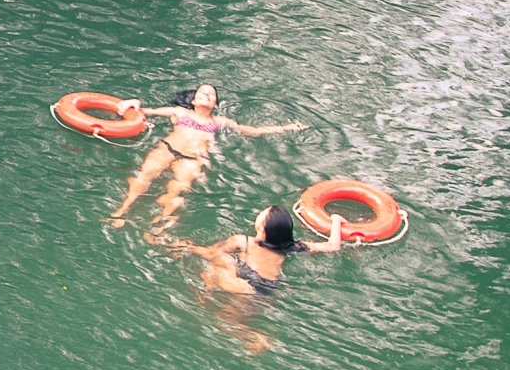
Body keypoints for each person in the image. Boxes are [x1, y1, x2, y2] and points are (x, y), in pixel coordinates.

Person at [105, 84, 307, 230]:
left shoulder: (220, 121)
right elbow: (144, 113)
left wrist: (286, 127)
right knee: (144, 176)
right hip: (167, 149)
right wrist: (133, 103)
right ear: (193, 100)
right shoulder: (178, 112)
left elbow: (252, 131)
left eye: (211, 94)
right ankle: (122, 211)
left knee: (176, 190)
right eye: (203, 92)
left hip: (192, 160)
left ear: (216, 105)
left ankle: (159, 224)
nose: (207, 95)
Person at [153, 204, 343, 354]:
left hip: (244, 281)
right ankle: (249, 333)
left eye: (262, 214)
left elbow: (211, 253)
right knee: (229, 321)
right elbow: (333, 246)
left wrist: (187, 247)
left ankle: (211, 294)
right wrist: (335, 220)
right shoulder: (293, 246)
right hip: (266, 287)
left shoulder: (242, 241)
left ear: (262, 228)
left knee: (218, 264)